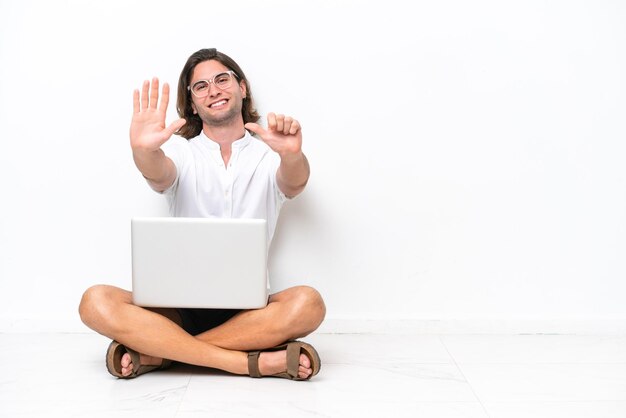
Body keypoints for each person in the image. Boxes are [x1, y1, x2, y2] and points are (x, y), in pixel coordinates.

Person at [79, 48, 326, 381]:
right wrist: (143, 151)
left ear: (242, 87)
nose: (214, 90)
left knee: (308, 304)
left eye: (222, 79)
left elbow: (294, 183)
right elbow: (159, 172)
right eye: (201, 86)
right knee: (94, 301)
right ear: (193, 103)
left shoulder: (270, 153)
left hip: (250, 311)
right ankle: (246, 362)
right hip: (177, 307)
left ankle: (157, 353)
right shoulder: (180, 152)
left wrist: (293, 155)